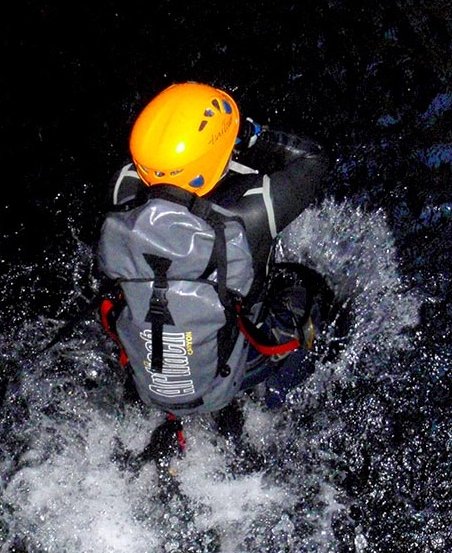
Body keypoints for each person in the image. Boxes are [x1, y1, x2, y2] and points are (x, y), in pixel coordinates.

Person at [96, 82, 332, 461]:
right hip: (228, 375)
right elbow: (314, 159)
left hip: (149, 380)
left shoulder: (122, 192)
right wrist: (251, 135)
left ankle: (171, 425)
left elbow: (150, 169)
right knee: (306, 285)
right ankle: (277, 383)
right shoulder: (250, 213)